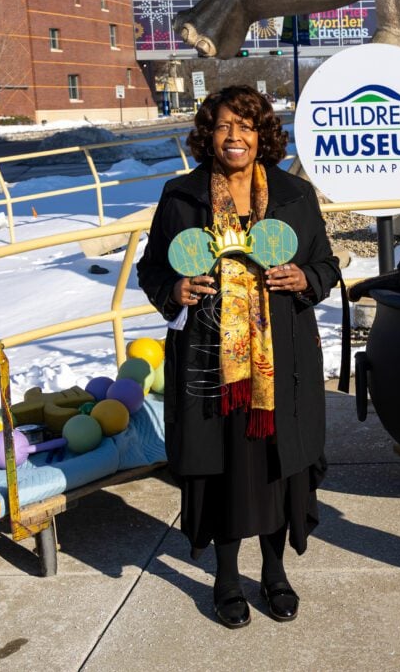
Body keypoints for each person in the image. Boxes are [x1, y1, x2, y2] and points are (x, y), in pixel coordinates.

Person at [137, 85, 340, 629]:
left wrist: (305, 277)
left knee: (278, 466)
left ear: (262, 135)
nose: (235, 137)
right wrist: (172, 290)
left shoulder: (295, 195)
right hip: (211, 361)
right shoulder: (182, 197)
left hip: (282, 359)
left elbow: (327, 263)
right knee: (223, 466)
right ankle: (227, 577)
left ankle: (274, 571)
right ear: (210, 132)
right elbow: (151, 269)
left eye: (246, 126)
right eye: (225, 125)